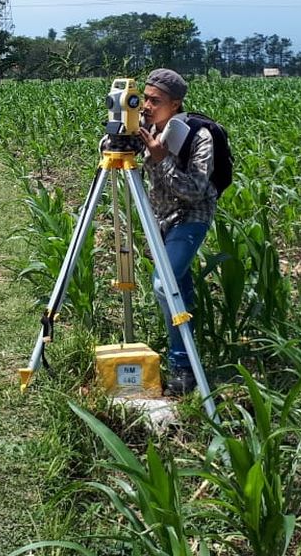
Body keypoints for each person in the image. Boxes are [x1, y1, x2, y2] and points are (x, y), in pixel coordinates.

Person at [137, 68, 217, 396]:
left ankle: (183, 364)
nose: (146, 106)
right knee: (179, 288)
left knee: (163, 285)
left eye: (155, 101)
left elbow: (196, 189)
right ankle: (186, 346)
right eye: (144, 98)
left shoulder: (199, 137)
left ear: (175, 104)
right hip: (161, 220)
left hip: (191, 216)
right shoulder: (144, 127)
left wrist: (162, 158)